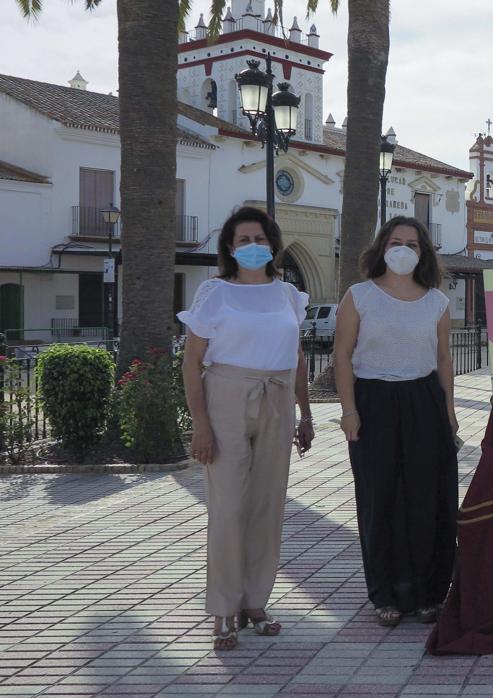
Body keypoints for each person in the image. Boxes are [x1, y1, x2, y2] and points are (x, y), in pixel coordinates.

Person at [179, 206, 314, 651]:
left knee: (267, 506)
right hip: (227, 397)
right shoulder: (215, 293)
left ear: (272, 244)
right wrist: (200, 423)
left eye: (259, 239)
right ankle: (222, 607)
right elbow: (193, 362)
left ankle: (255, 602)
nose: (252, 247)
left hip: (277, 398)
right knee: (230, 505)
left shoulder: (289, 295)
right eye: (243, 241)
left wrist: (306, 413)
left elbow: (296, 358)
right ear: (230, 249)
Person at [333, 216, 459, 628]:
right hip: (374, 401)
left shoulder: (436, 302)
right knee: (379, 498)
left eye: (413, 244)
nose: (404, 249)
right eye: (396, 241)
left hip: (424, 400)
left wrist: (449, 412)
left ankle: (428, 594)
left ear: (424, 253)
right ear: (382, 247)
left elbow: (443, 359)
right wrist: (349, 411)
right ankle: (385, 594)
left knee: (427, 498)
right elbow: (342, 356)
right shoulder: (360, 296)